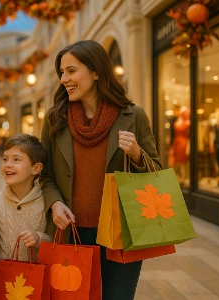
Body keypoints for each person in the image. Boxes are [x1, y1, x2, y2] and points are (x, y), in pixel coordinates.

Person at [40, 40, 161, 300]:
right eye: (61, 72)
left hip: (120, 232)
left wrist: (137, 155)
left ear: (96, 72)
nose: (64, 79)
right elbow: (46, 174)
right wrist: (54, 203)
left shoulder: (134, 116)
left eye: (71, 71)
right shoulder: (55, 120)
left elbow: (157, 172)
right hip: (70, 232)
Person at [0, 134, 51, 298]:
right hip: (4, 281)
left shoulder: (47, 203)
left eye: (16, 160)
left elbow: (56, 241)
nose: (8, 165)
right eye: (5, 159)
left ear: (36, 168)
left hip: (37, 283)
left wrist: (39, 238)